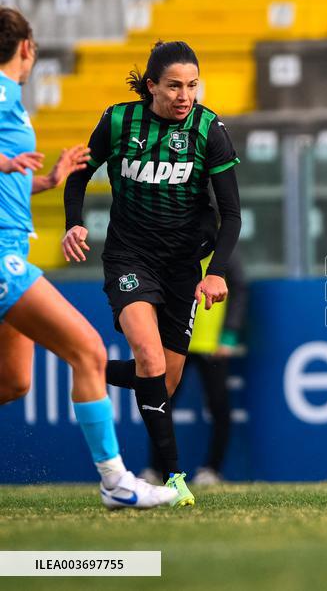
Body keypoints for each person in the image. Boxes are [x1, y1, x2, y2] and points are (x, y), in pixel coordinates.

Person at [0, 6, 176, 509]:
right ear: (27, 48)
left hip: (11, 247)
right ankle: (117, 483)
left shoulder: (11, 99)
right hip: (3, 259)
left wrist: (47, 181)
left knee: (12, 381)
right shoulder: (2, 90)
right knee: (89, 352)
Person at [62, 40, 242, 507]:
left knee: (164, 380)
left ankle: (92, 367)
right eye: (175, 86)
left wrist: (215, 272)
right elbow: (81, 173)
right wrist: (74, 222)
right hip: (129, 258)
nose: (186, 95)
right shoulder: (119, 120)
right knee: (149, 356)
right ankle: (174, 480)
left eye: (193, 85)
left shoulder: (210, 129)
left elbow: (232, 214)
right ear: (152, 86)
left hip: (183, 266)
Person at [145, 247, 247, 486]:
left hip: (212, 345)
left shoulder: (224, 254)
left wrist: (229, 335)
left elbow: (240, 291)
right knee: (161, 403)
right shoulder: (177, 247)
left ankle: (212, 469)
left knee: (219, 407)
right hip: (177, 342)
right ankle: (154, 469)